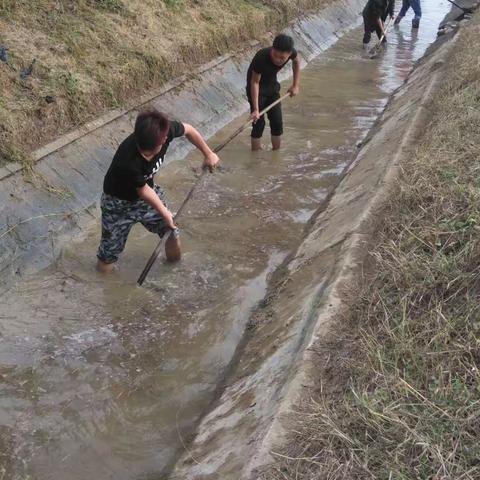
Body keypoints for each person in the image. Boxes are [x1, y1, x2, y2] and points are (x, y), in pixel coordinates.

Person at [96, 110, 219, 273]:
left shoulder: (165, 131)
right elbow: (143, 190)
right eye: (145, 153)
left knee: (171, 232)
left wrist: (208, 153)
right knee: (108, 254)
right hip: (118, 204)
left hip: (147, 192)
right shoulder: (127, 161)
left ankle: (174, 271)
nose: (148, 158)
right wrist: (165, 213)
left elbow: (189, 129)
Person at [246, 34, 301, 151]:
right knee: (258, 123)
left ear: (289, 54)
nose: (277, 60)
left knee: (277, 122)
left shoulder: (292, 53)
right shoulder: (261, 57)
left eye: (282, 58)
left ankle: (276, 153)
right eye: (275, 55)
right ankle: (256, 156)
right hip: (256, 89)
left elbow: (296, 61)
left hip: (272, 86)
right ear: (272, 49)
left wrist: (295, 85)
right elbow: (254, 82)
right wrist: (255, 110)